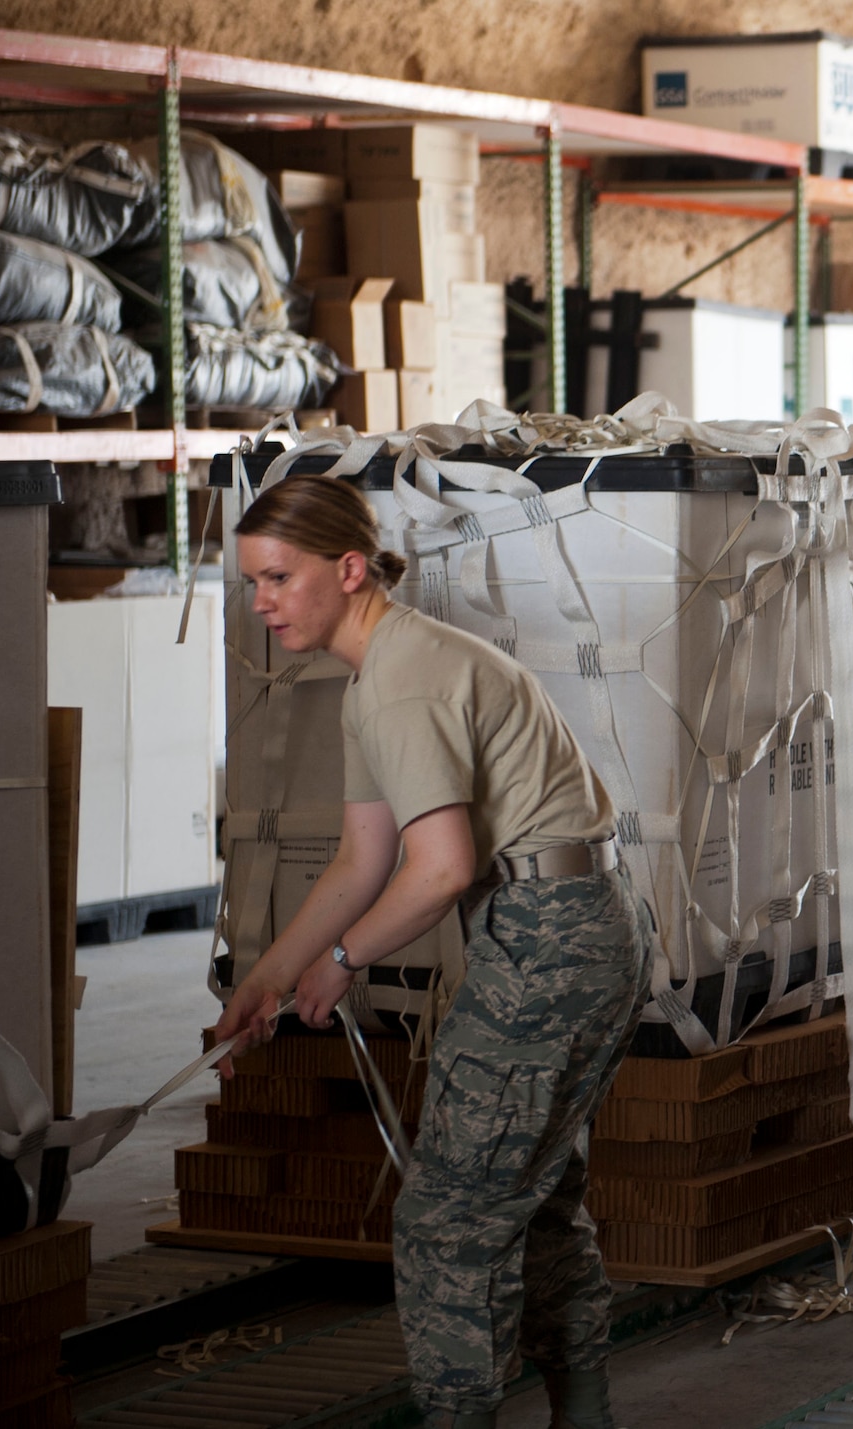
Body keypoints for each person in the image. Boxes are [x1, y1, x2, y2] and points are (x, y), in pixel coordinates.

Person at [214, 476, 647, 1429]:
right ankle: (586, 1412)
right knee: (527, 1196)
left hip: (549, 940)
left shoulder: (404, 681)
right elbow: (363, 859)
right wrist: (269, 977)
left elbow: (441, 867)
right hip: (561, 926)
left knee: (447, 1221)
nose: (264, 604)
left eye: (279, 578)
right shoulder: (380, 676)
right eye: (252, 584)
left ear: (350, 568)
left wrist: (343, 964)